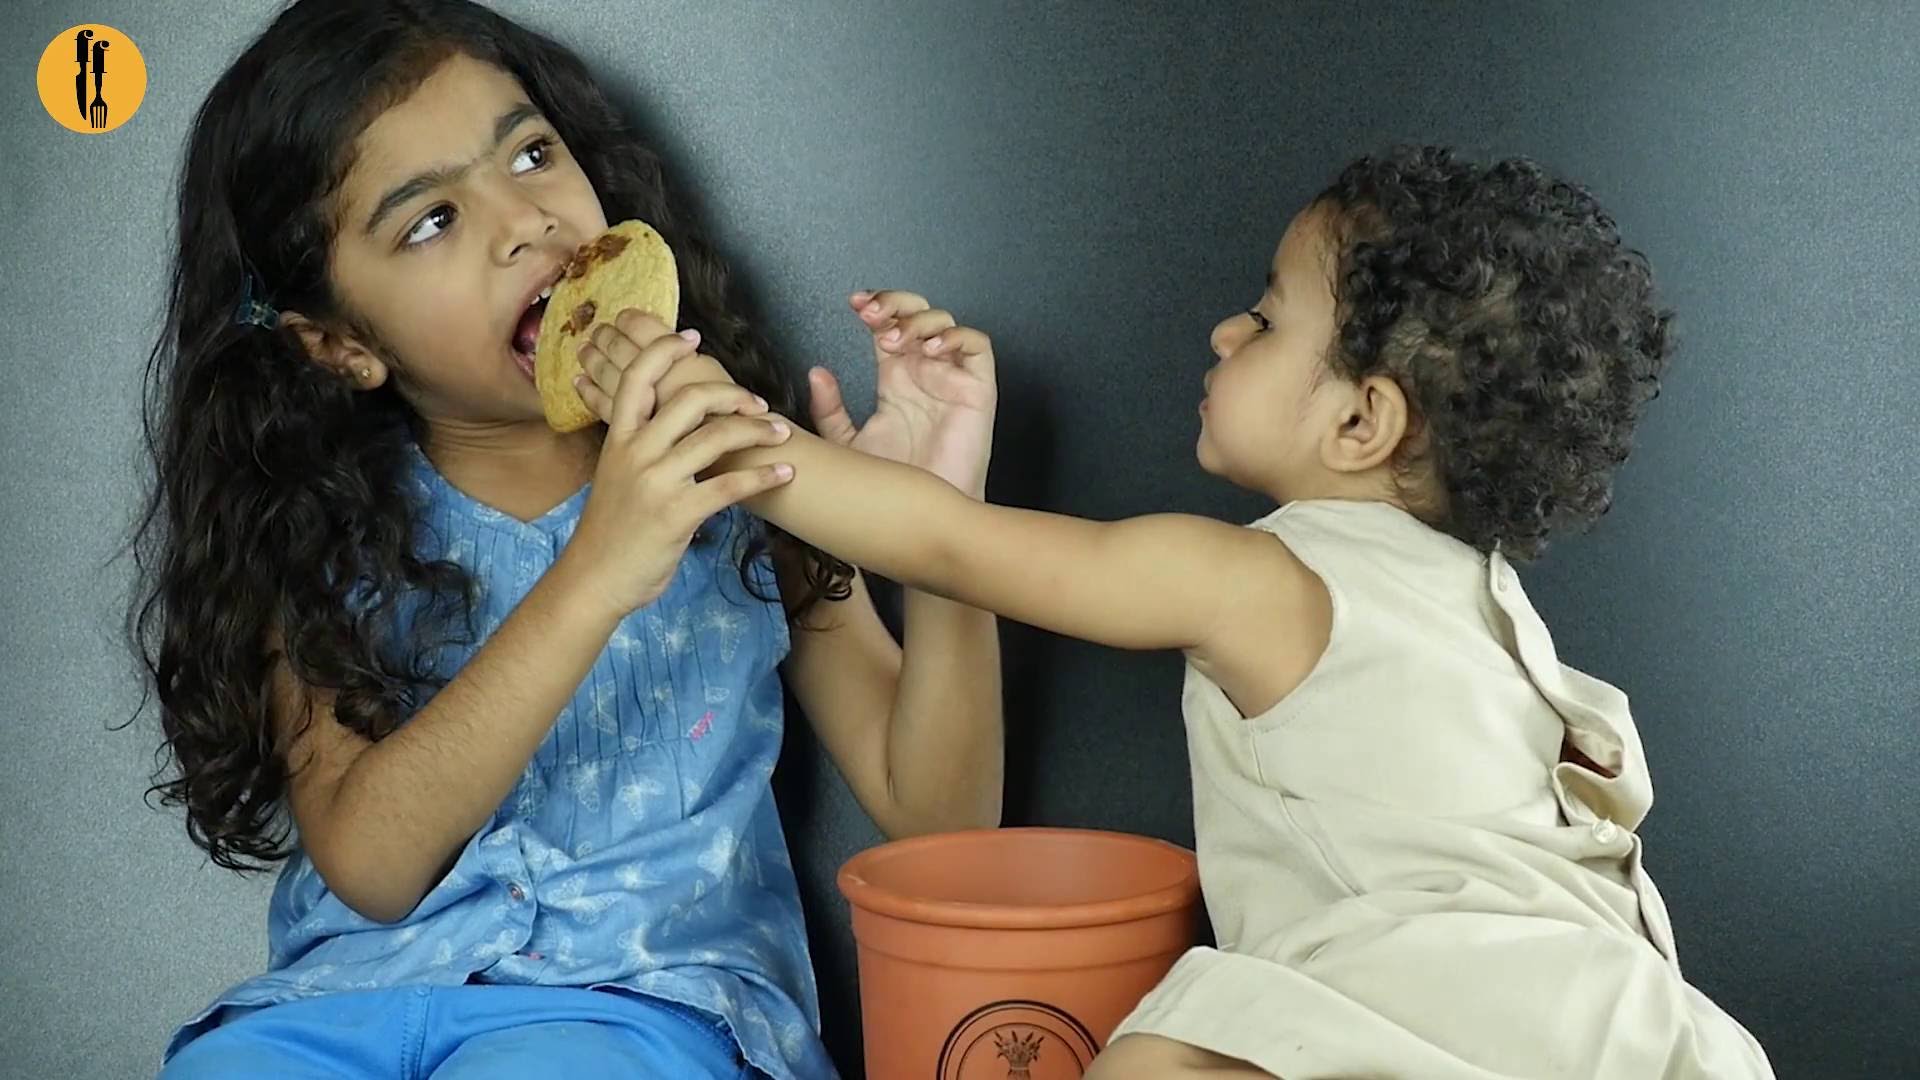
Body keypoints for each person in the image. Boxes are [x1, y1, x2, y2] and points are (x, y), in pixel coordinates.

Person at [602, 146, 1776, 1079]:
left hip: (1443, 1002)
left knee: (1156, 1059)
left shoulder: (1256, 580)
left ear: (1362, 424)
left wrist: (713, 416)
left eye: (1265, 320)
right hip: (1624, 1019)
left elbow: (953, 543)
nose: (1225, 331)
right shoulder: (1488, 601)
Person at [130, 2, 1002, 1076]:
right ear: (341, 344)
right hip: (340, 1007)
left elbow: (941, 810)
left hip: (640, 1008)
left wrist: (939, 527)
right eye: (432, 222)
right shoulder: (320, 534)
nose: (525, 223)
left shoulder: (736, 463)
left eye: (532, 154)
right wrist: (599, 570)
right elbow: (372, 864)